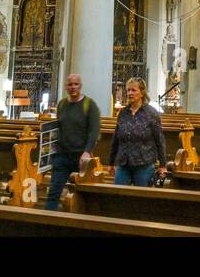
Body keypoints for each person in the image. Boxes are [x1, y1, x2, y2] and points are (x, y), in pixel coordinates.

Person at [44, 74, 102, 210]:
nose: (73, 87)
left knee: (83, 194)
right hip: (62, 156)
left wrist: (87, 152)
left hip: (81, 157)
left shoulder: (90, 105)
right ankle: (46, 222)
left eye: (76, 84)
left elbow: (94, 131)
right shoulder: (62, 104)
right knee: (53, 192)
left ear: (80, 85)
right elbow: (58, 128)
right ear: (66, 86)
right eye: (70, 85)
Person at [110, 77, 168, 187]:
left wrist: (163, 165)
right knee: (118, 196)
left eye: (133, 90)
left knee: (142, 199)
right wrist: (111, 162)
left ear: (142, 93)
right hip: (124, 163)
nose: (130, 93)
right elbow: (116, 139)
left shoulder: (151, 113)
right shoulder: (123, 113)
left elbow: (160, 140)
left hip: (144, 164)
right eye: (128, 90)